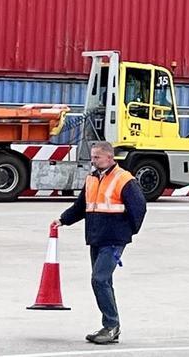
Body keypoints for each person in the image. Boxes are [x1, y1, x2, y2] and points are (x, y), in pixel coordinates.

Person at [52, 142, 147, 345]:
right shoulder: (92, 178)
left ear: (110, 158)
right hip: (96, 237)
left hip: (113, 239)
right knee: (104, 281)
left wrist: (126, 233)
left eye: (97, 157)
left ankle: (111, 325)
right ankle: (111, 327)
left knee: (99, 279)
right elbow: (81, 206)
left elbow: (138, 209)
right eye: (93, 157)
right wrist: (63, 220)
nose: (93, 161)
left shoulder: (124, 179)